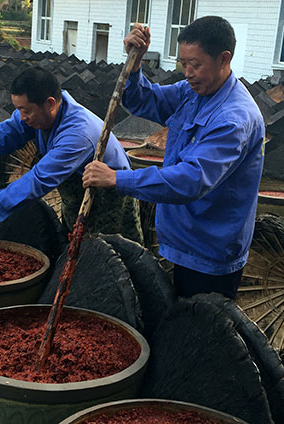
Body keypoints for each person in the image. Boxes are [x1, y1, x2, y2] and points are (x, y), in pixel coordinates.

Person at [83, 16, 265, 299]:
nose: (188, 72)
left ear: (223, 59)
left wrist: (117, 178)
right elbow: (145, 100)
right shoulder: (192, 92)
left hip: (209, 251)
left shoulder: (234, 119)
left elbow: (191, 180)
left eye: (196, 64)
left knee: (200, 329)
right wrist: (135, 66)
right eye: (183, 64)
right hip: (180, 238)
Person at [0, 66, 143, 243]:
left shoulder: (78, 134)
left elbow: (38, 179)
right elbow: (8, 132)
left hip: (109, 199)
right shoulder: (42, 113)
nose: (22, 117)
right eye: (18, 110)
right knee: (76, 248)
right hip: (76, 196)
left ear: (49, 103)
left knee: (111, 257)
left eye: (26, 111)